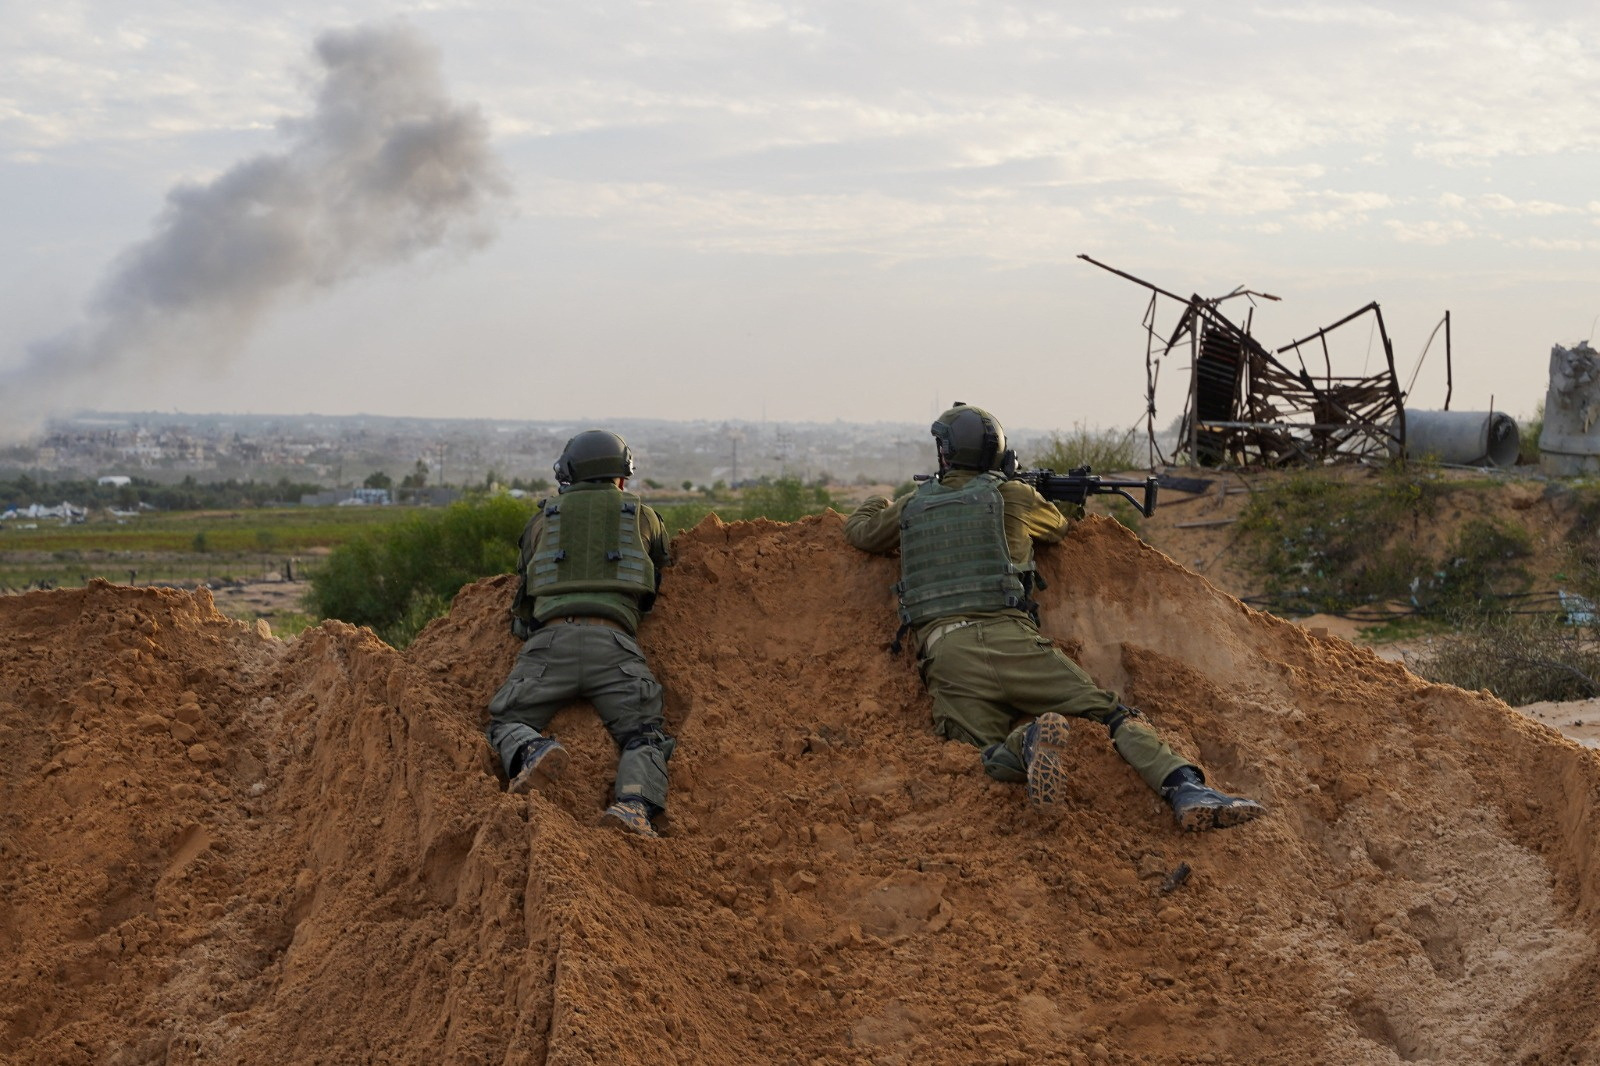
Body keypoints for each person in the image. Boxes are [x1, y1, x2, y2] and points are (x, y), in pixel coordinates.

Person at [843, 402, 1264, 831]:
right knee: (1112, 714)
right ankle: (1186, 787)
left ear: (946, 453)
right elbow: (1060, 527)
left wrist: (878, 500)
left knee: (972, 755)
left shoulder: (912, 507)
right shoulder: (1012, 496)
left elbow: (860, 533)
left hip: (947, 653)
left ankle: (1022, 744)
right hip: (1013, 641)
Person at [485, 429, 674, 838]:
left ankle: (534, 750)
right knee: (644, 735)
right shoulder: (643, 516)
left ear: (569, 475)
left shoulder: (542, 520)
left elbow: (523, 602)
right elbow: (660, 570)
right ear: (621, 477)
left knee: (506, 721)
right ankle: (633, 807)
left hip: (550, 642)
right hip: (616, 646)